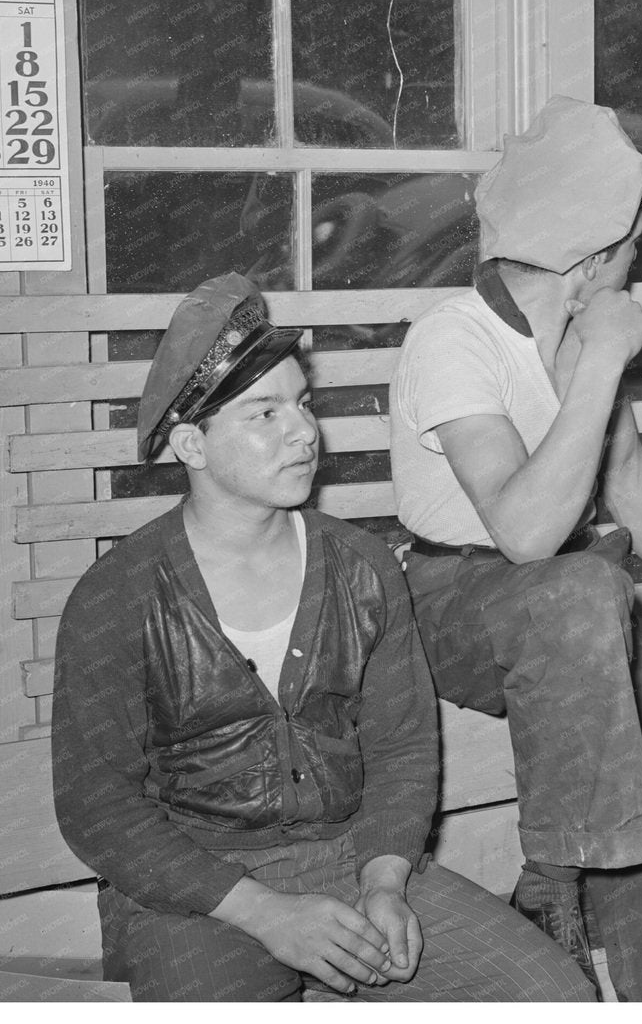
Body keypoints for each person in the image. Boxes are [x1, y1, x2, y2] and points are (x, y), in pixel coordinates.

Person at [52, 273, 594, 1003]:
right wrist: (265, 914)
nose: (305, 432)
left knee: (553, 997)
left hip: (352, 859)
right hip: (196, 890)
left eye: (303, 405)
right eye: (264, 414)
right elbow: (98, 808)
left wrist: (386, 879)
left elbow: (400, 747)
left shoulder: (362, 566)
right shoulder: (117, 594)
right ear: (192, 443)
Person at [388, 96, 642, 1001]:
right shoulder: (452, 337)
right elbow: (523, 529)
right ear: (589, 262)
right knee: (581, 583)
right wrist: (599, 364)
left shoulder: (578, 336)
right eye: (631, 251)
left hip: (574, 618)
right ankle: (552, 882)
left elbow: (629, 482)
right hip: (453, 602)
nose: (637, 268)